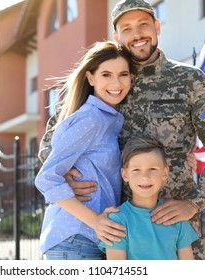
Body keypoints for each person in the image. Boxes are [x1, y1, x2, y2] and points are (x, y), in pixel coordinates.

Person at [38, 0, 205, 260]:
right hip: (116, 231)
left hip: (174, 229)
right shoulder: (108, 80)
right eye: (126, 28)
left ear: (157, 27)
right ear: (117, 36)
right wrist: (67, 177)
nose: (136, 34)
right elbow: (53, 141)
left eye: (143, 25)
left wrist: (194, 202)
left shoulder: (190, 82)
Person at [35, 41, 134, 260]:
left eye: (123, 74)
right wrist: (96, 221)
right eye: (106, 74)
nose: (116, 82)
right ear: (91, 78)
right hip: (77, 240)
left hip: (86, 241)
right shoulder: (92, 118)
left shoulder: (106, 118)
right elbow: (47, 178)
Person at [99, 135, 198, 260]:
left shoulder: (176, 218)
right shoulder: (118, 220)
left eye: (152, 169)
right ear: (125, 175)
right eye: (136, 170)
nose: (145, 176)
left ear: (165, 173)